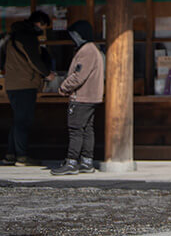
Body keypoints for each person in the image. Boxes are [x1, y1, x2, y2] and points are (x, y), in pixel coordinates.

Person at [51, 20, 105, 175]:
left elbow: (79, 76)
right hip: (92, 97)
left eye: (74, 34)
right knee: (87, 130)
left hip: (82, 97)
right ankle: (87, 162)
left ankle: (71, 162)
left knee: (75, 130)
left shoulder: (86, 51)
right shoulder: (94, 49)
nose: (73, 38)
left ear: (80, 34)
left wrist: (64, 87)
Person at [2, 11, 54, 166]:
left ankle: (11, 154)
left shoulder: (13, 36)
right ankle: (22, 157)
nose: (43, 30)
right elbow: (34, 60)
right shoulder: (27, 37)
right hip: (24, 84)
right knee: (23, 121)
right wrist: (47, 74)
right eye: (43, 26)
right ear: (39, 23)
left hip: (12, 84)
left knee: (18, 120)